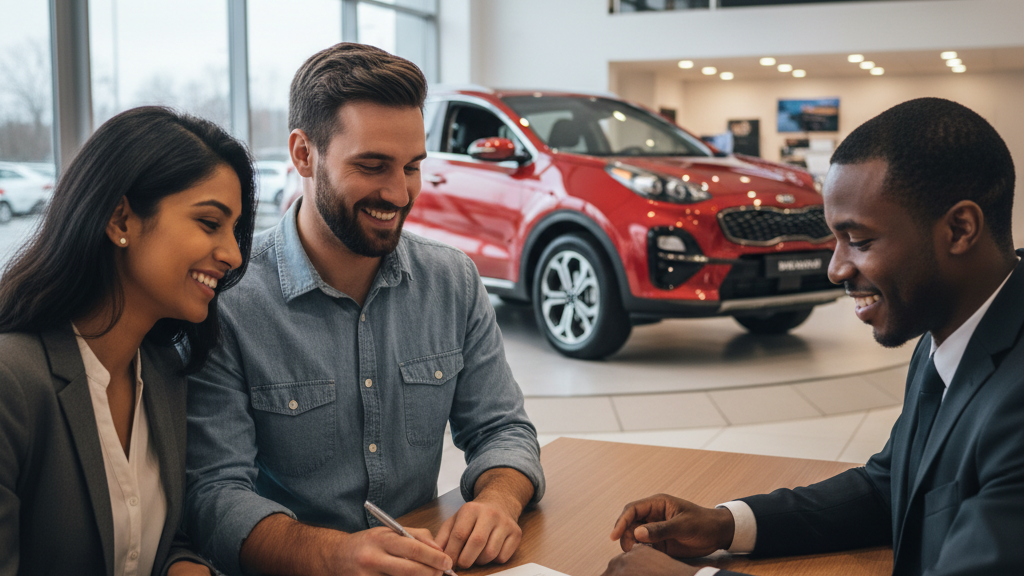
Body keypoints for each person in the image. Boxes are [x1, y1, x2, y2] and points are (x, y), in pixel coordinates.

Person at [602, 97, 1023, 576]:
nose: (835, 268)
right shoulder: (951, 325)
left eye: (859, 241)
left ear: (960, 229)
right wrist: (725, 525)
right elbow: (891, 486)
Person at [183, 43, 545, 576]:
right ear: (304, 154)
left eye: (412, 167)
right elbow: (215, 494)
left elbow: (503, 430)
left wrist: (498, 501)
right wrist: (333, 553)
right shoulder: (230, 299)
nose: (399, 194)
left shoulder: (452, 280)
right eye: (373, 166)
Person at [0, 106, 257, 576]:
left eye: (235, 230)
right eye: (209, 223)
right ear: (120, 219)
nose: (234, 254)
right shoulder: (12, 382)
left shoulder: (163, 373)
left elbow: (152, 540)